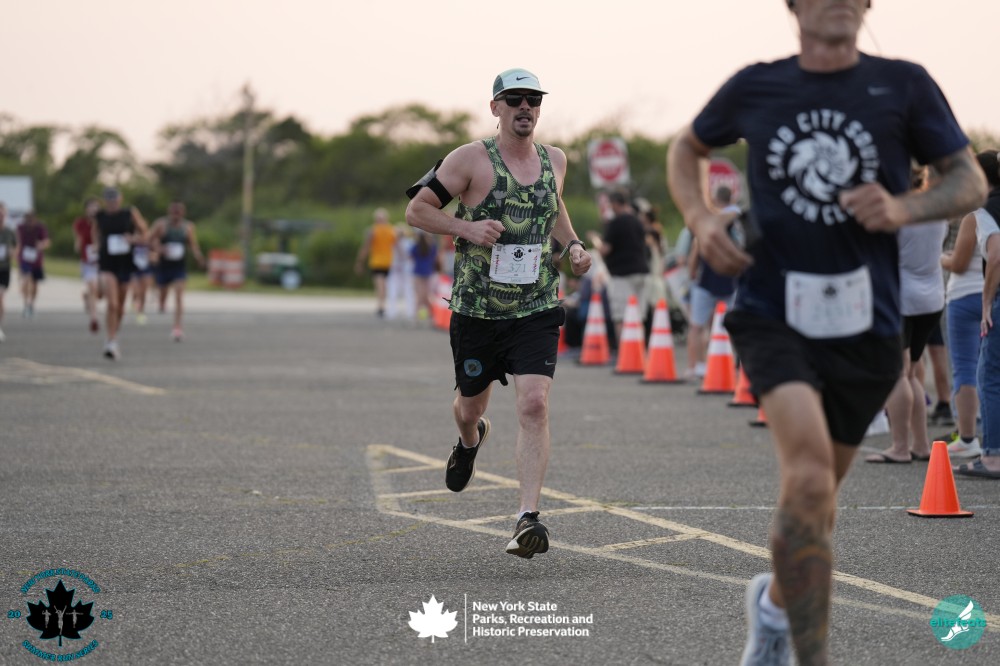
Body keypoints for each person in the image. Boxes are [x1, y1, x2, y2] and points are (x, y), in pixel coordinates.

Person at [666, 1, 987, 663]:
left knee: (819, 498)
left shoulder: (904, 84)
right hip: (773, 312)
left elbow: (969, 181)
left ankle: (773, 609)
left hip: (868, 325)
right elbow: (686, 147)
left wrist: (903, 206)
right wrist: (700, 218)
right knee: (809, 482)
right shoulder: (758, 84)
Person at [405, 67, 592, 559]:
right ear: (495, 108)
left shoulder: (555, 159)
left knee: (534, 404)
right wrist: (465, 228)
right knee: (470, 408)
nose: (525, 106)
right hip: (478, 310)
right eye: (514, 99)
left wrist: (573, 245)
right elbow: (417, 210)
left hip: (536, 305)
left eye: (533, 99)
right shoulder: (469, 158)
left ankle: (527, 517)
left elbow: (555, 207)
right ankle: (470, 441)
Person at [865, 165, 945, 464]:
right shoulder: (937, 211)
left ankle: (899, 447)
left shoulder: (896, 213)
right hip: (932, 298)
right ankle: (920, 444)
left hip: (901, 297)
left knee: (898, 373)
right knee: (912, 372)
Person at [956, 149, 1000, 479]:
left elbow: (996, 255)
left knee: (989, 376)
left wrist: (987, 301)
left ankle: (993, 456)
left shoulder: (986, 210)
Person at [940, 182, 986, 458]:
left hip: (965, 296)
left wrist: (943, 258)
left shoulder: (975, 216)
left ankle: (967, 438)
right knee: (989, 369)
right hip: (990, 296)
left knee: (965, 368)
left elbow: (959, 263)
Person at [685, 186, 738, 380]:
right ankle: (734, 365)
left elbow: (696, 248)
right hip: (729, 280)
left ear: (716, 199)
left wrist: (692, 271)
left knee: (696, 325)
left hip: (706, 280)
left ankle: (695, 366)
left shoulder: (710, 221)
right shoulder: (736, 220)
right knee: (734, 325)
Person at [94, 187, 149, 360]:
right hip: (107, 263)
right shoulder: (100, 216)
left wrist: (133, 239)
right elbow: (95, 234)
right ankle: (111, 340)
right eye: (108, 200)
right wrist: (96, 247)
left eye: (114, 199)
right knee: (112, 304)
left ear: (120, 199)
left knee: (120, 307)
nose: (112, 203)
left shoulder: (129, 213)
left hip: (125, 263)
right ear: (105, 201)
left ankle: (113, 335)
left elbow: (144, 233)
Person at [587, 190, 648, 345]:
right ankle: (638, 351)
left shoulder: (615, 223)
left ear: (615, 203)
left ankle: (625, 352)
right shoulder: (637, 221)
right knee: (638, 316)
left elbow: (604, 249)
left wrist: (595, 239)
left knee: (621, 317)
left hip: (622, 274)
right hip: (641, 272)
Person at [149, 201, 205, 341]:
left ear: (183, 213)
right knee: (163, 293)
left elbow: (193, 245)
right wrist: (159, 249)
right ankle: (161, 301)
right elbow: (149, 240)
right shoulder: (161, 225)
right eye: (174, 212)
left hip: (179, 267)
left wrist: (198, 257)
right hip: (164, 266)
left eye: (178, 213)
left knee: (179, 296)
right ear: (169, 212)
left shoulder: (187, 227)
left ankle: (177, 328)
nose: (176, 215)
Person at [354, 208, 395, 317]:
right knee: (385, 285)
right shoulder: (391, 230)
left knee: (380, 285)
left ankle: (381, 306)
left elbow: (366, 247)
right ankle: (384, 305)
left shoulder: (372, 230)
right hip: (389, 261)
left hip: (377, 261)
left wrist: (360, 261)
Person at [72, 197, 103, 333]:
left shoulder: (104, 221)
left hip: (102, 261)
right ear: (86, 210)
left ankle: (86, 296)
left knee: (100, 292)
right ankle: (94, 318)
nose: (93, 209)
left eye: (96, 207)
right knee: (93, 286)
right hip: (87, 261)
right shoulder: (80, 223)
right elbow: (79, 238)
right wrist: (78, 245)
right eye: (91, 207)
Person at [15, 211, 50, 318]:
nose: (29, 222)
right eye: (28, 220)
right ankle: (26, 303)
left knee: (34, 283)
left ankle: (31, 304)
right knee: (26, 279)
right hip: (24, 258)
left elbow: (46, 241)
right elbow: (17, 241)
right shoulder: (20, 228)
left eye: (31, 220)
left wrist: (41, 245)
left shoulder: (40, 228)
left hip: (36, 259)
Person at [385, 222, 416, 322]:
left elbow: (405, 256)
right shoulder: (392, 242)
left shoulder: (409, 242)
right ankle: (392, 312)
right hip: (395, 269)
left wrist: (397, 244)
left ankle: (410, 312)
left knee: (408, 291)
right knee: (392, 291)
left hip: (406, 270)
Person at [410, 228, 438, 321]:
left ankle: (418, 317)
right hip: (427, 272)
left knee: (420, 296)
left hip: (418, 272)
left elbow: (411, 256)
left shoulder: (416, 246)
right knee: (425, 296)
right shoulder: (431, 247)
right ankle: (431, 316)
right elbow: (435, 258)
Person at [0, 203, 15, 342]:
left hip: (4, 268)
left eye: (2, 214)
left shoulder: (9, 232)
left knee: (0, 296)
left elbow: (16, 247)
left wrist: (13, 252)